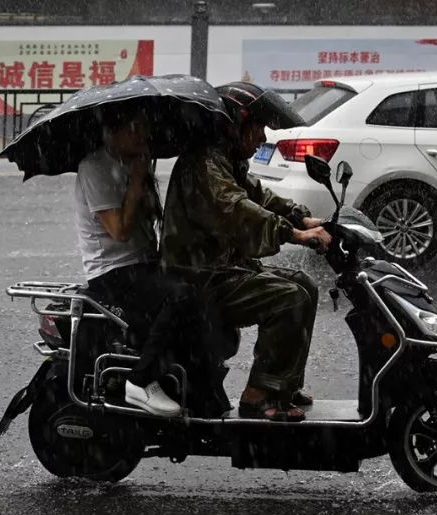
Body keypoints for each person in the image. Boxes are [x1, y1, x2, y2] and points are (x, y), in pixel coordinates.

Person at [160, 81, 333, 422]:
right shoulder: (206, 163)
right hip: (200, 278)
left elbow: (259, 196)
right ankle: (258, 394)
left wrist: (302, 216)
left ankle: (283, 382)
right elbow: (237, 208)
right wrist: (294, 234)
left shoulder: (225, 158)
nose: (263, 138)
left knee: (305, 285)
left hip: (222, 269)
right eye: (258, 128)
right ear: (235, 124)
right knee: (289, 297)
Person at [75, 102, 197, 417]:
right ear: (114, 132)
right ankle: (141, 381)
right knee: (180, 297)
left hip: (143, 265)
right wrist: (138, 178)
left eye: (145, 127)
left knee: (203, 286)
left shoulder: (133, 161)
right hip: (113, 273)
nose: (145, 134)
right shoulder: (95, 167)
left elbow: (152, 225)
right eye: (137, 128)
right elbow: (119, 230)